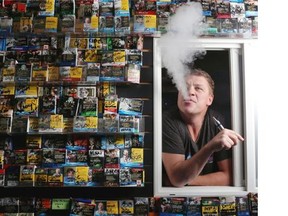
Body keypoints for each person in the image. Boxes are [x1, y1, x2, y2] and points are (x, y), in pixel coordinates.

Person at [162, 68, 244, 187]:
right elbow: (177, 178)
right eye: (185, 87)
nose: (190, 92)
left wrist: (187, 180)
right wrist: (210, 147)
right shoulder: (167, 121)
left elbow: (229, 177)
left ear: (209, 100)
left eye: (198, 88)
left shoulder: (216, 121)